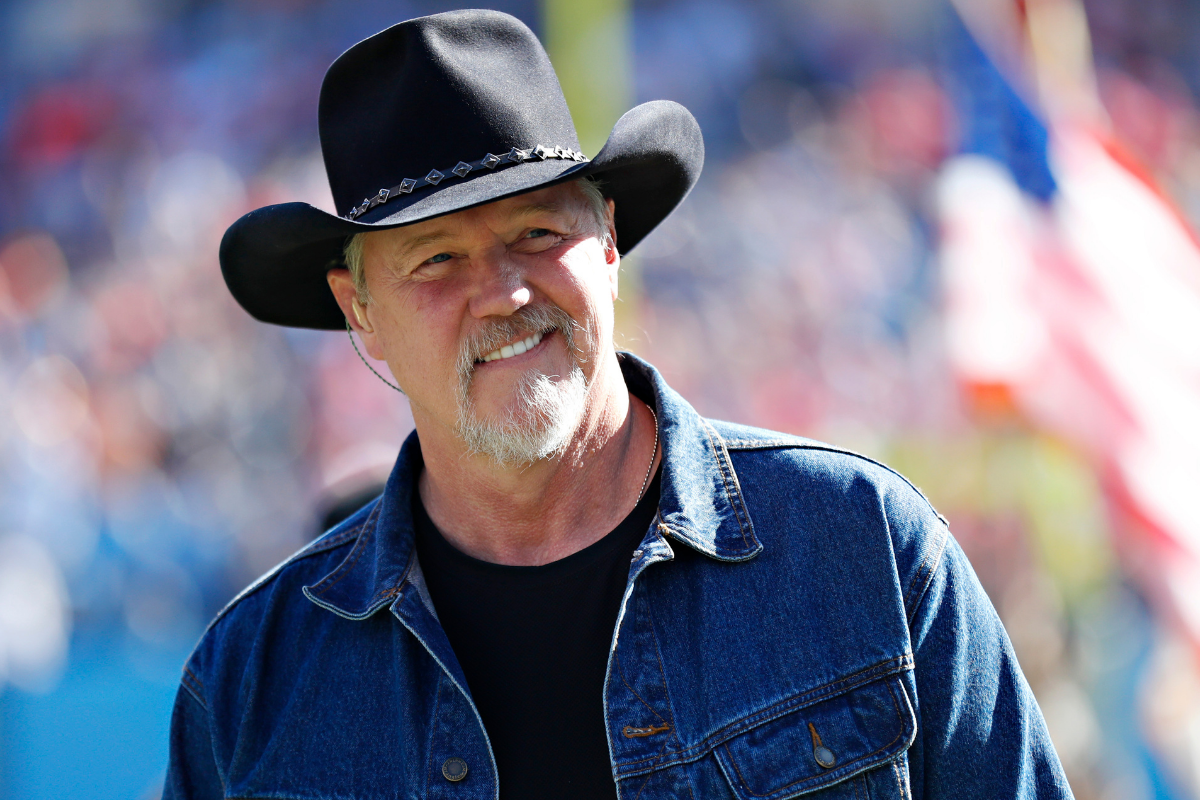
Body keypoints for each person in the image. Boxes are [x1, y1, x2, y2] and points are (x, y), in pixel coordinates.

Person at [165, 9, 1074, 799]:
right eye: (437, 259)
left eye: (537, 232)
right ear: (359, 312)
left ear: (607, 242)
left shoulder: (861, 543)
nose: (506, 293)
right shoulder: (253, 678)